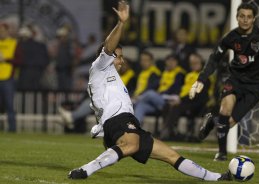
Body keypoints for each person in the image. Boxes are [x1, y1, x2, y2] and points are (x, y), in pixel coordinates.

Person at [68, 1, 231, 181]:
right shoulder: (99, 67)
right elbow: (108, 47)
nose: (122, 61)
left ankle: (217, 177)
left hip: (128, 121)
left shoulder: (113, 76)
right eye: (118, 57)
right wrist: (121, 23)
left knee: (171, 155)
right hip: (116, 120)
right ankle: (85, 170)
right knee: (132, 144)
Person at [189, 3, 259, 161]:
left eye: (249, 17)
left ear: (254, 19)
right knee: (225, 110)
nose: (245, 20)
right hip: (235, 79)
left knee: (229, 123)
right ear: (237, 17)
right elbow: (214, 59)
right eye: (242, 16)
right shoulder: (230, 37)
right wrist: (201, 79)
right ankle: (222, 153)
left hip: (256, 85)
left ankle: (212, 120)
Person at [160, 53, 210, 141]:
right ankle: (171, 132)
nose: (193, 65)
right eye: (191, 63)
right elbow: (183, 90)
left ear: (201, 63)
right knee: (167, 105)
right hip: (186, 101)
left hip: (197, 103)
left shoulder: (205, 77)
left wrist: (181, 100)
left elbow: (197, 94)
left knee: (176, 107)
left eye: (196, 63)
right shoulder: (189, 75)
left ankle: (168, 133)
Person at [134, 54, 185, 124]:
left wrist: (161, 93)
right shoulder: (164, 73)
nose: (170, 63)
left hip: (168, 101)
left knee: (150, 93)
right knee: (141, 106)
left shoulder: (180, 74)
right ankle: (136, 129)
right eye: (168, 61)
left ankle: (133, 102)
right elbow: (156, 85)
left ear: (177, 62)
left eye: (173, 61)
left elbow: (175, 88)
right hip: (158, 101)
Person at [0, 22, 23, 132]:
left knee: (9, 105)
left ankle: (12, 129)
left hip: (8, 79)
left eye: (3, 30)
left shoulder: (14, 43)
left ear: (7, 31)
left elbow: (19, 61)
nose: (1, 32)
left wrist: (6, 59)